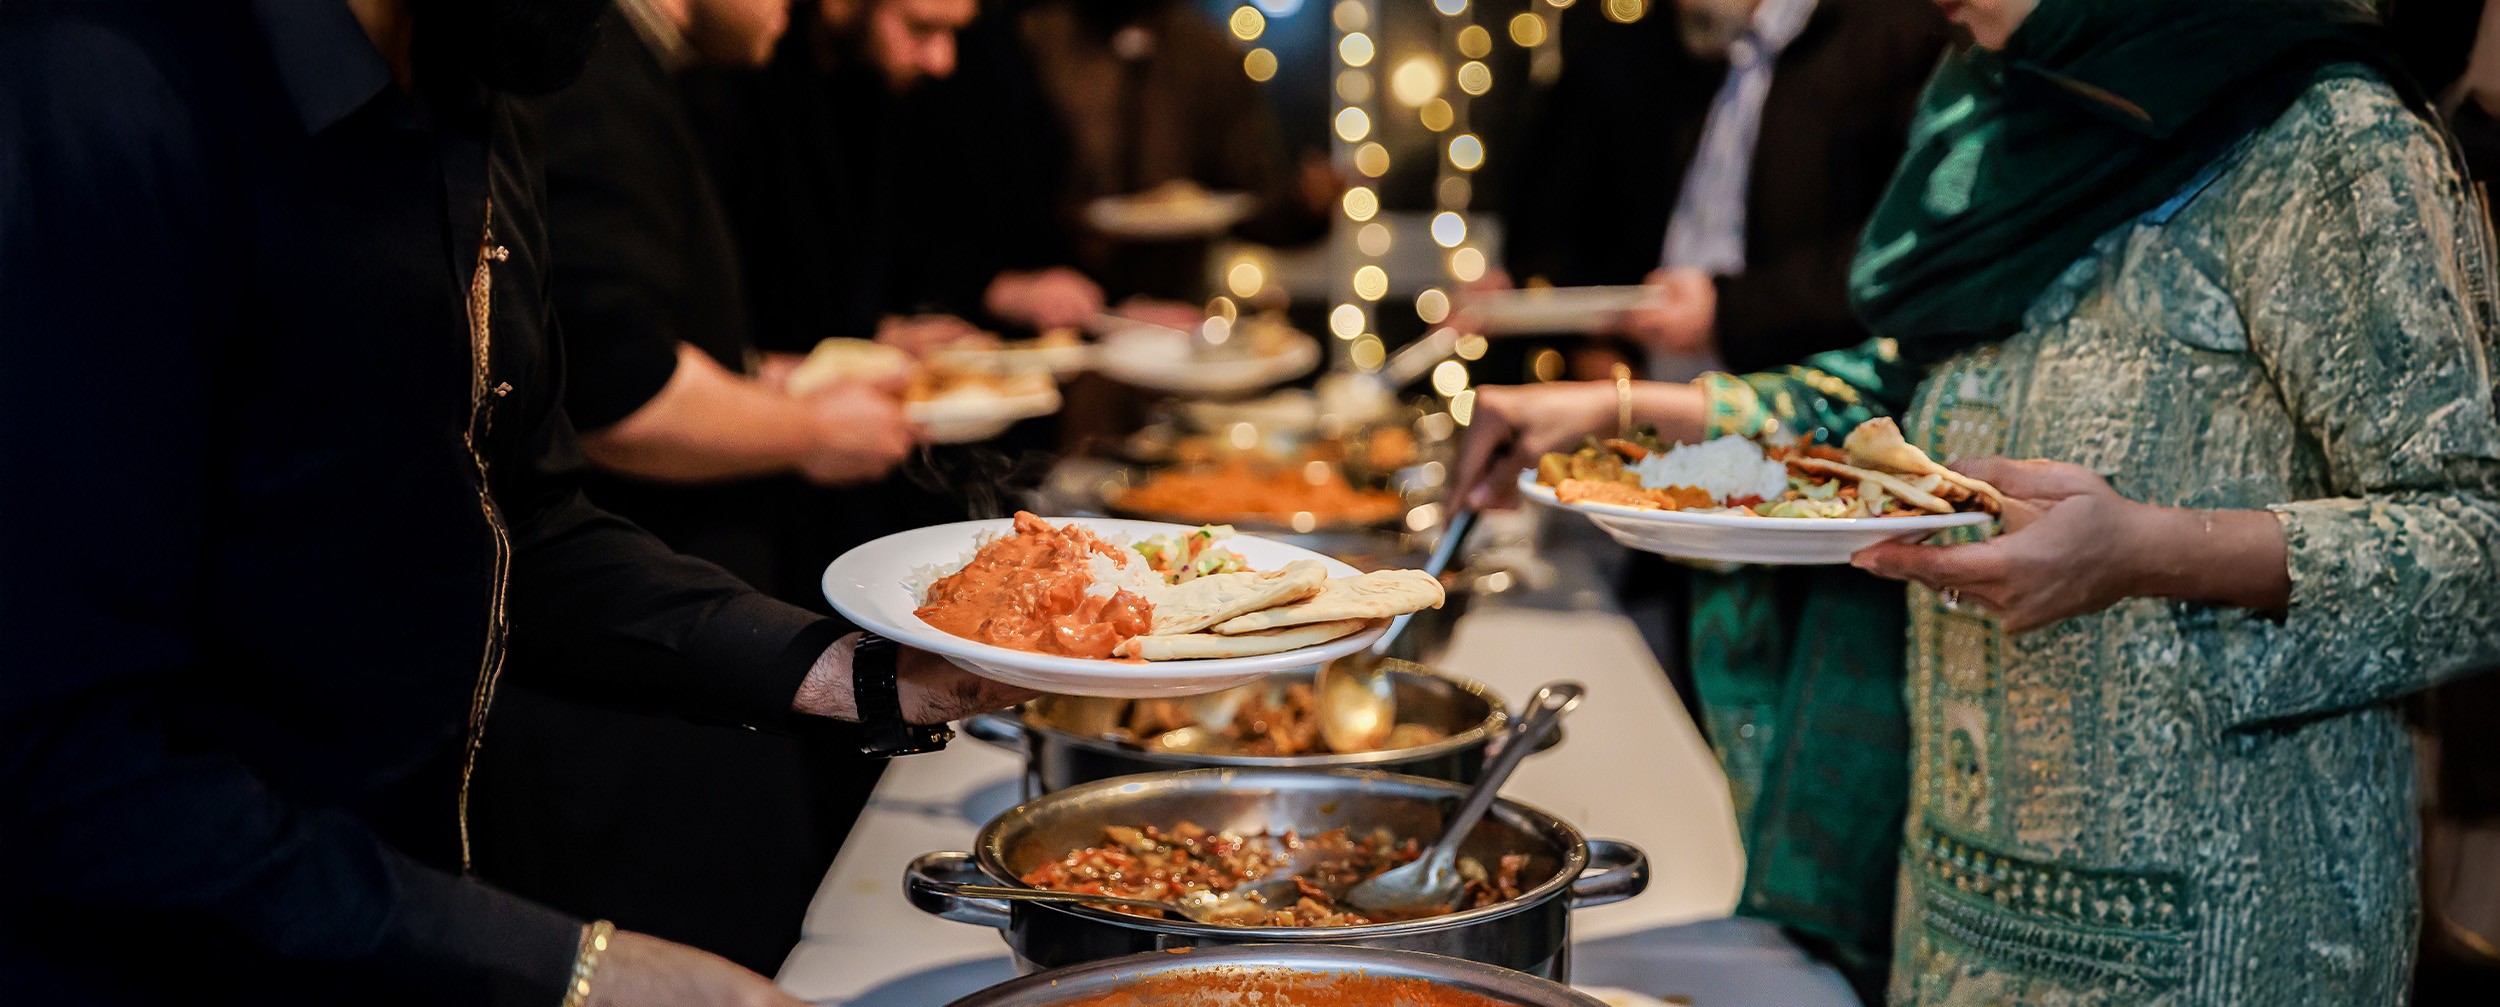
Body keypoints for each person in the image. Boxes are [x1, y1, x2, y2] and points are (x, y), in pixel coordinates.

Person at [1457, 0, 2500, 1001]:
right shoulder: (1995, 119)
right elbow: (1900, 399)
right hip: (1956, 914)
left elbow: (2477, 543)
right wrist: (1616, 406)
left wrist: (2146, 549)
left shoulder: (2324, 135)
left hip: (2218, 931)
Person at [0, 2, 1030, 1004]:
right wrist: (567, 966)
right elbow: (61, 762)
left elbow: (517, 522)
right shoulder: (97, 85)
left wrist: (865, 673)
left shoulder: (472, 74)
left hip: (399, 918)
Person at [1493, 3, 1946, 993]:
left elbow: (1893, 287)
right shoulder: (1727, 58)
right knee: (1710, 756)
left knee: (1813, 804)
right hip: (1715, 463)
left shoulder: (1900, 40)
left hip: (1822, 491)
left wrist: (1726, 311)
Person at [466, 0, 914, 977]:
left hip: (667, 648)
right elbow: (618, 397)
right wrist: (812, 429)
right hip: (627, 689)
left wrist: (784, 379)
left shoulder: (629, 70)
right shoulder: (585, 71)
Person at [1017, 0, 1334, 303]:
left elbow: (1249, 199)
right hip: (1046, 313)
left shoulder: (1207, 54)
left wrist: (1304, 205)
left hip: (1173, 318)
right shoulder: (1033, 41)